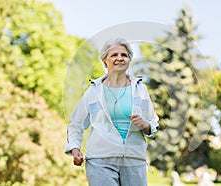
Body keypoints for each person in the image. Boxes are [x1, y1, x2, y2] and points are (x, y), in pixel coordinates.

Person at [64, 38, 159, 186]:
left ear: (129, 60)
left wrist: (145, 124)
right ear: (104, 60)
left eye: (124, 55)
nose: (119, 58)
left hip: (133, 159)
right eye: (114, 55)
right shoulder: (94, 91)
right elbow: (76, 124)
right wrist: (75, 148)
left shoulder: (140, 89)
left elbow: (153, 123)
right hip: (100, 159)